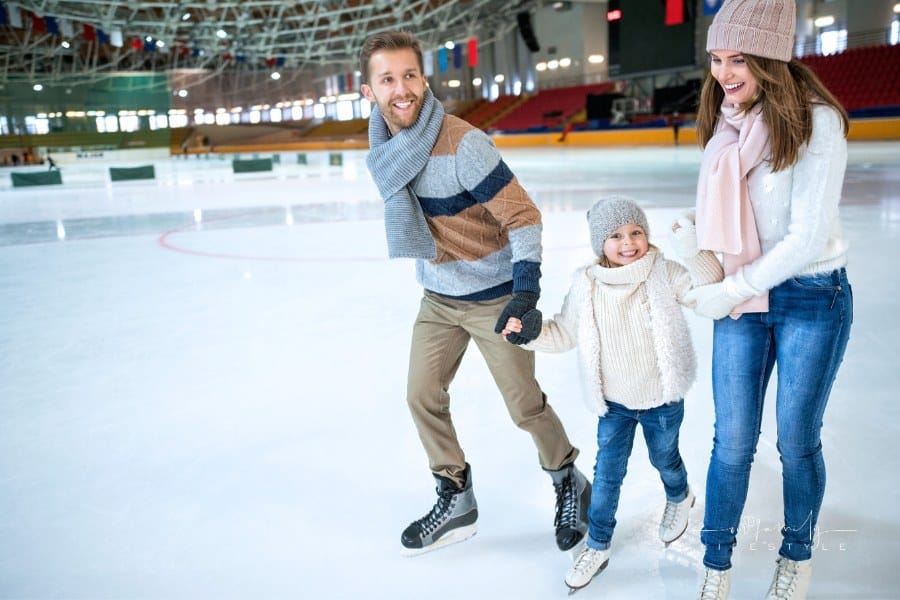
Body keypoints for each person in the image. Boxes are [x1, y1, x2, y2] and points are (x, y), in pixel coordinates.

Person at [359, 30, 590, 557]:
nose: (402, 89)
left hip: (493, 296)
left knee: (524, 407)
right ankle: (456, 496)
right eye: (387, 79)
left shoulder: (463, 144)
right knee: (422, 395)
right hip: (439, 298)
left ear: (424, 78)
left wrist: (524, 291)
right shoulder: (386, 150)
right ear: (369, 91)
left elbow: (524, 215)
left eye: (409, 75)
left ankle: (568, 482)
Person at [688, 1, 853, 597]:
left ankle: (796, 556)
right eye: (716, 58)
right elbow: (728, 219)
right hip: (744, 299)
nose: (724, 73)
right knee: (731, 441)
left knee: (794, 440)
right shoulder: (728, 120)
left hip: (811, 294)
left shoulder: (818, 122)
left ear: (770, 58)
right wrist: (696, 253)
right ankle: (716, 563)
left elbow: (804, 236)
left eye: (738, 59)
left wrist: (730, 289)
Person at [504, 196, 724, 590]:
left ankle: (679, 496)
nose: (628, 242)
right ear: (598, 244)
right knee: (607, 476)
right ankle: (598, 543)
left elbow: (706, 291)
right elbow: (565, 333)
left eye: (636, 232)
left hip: (661, 400)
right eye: (616, 235)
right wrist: (529, 335)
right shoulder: (586, 284)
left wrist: (694, 250)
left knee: (665, 458)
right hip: (615, 406)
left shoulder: (663, 272)